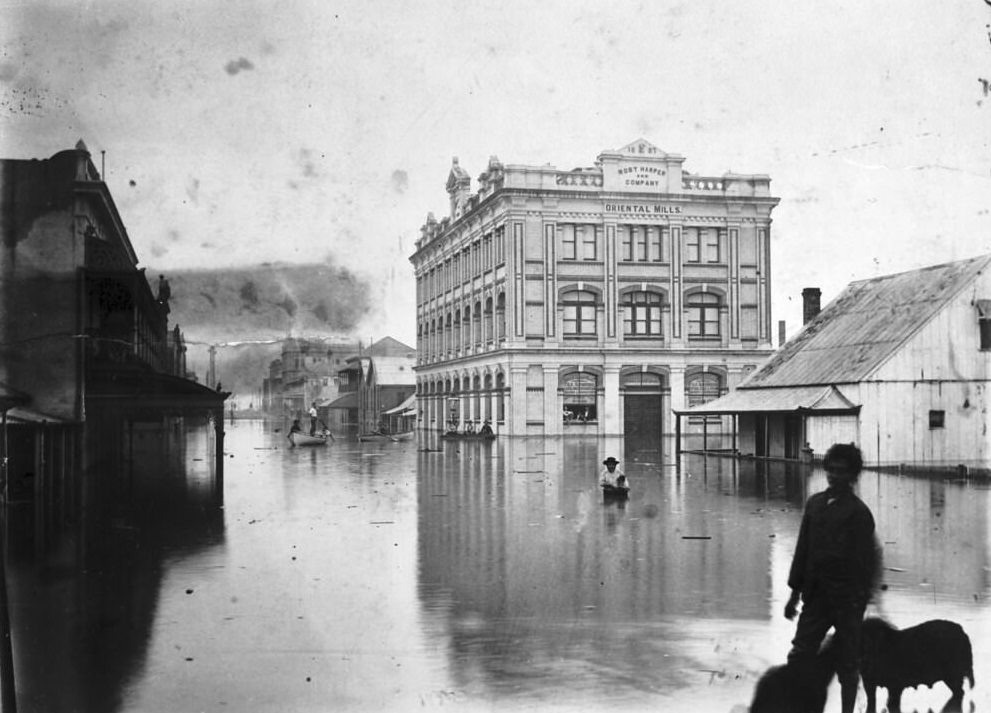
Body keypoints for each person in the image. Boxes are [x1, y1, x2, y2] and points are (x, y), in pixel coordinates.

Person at [784, 443, 878, 713]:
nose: (834, 476)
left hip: (847, 602)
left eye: (842, 471)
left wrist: (857, 605)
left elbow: (865, 565)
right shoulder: (814, 505)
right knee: (800, 654)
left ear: (853, 475)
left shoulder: (859, 514)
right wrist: (794, 595)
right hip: (815, 598)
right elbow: (803, 551)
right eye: (831, 470)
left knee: (848, 664)